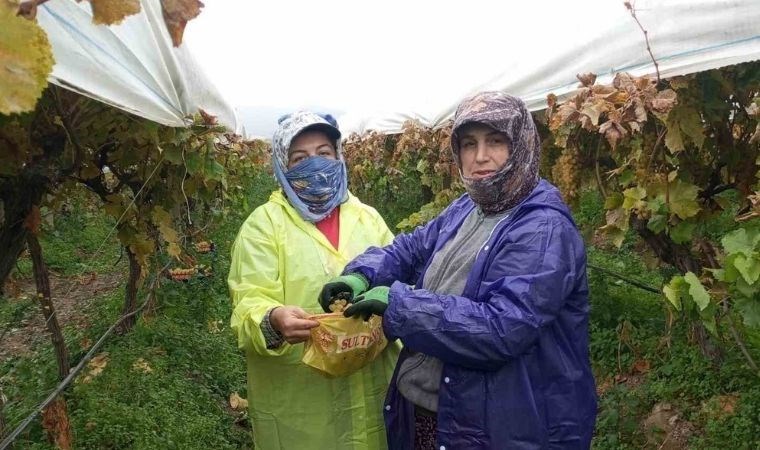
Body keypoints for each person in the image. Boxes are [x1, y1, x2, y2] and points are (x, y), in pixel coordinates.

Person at [319, 92, 597, 449]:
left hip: (502, 426)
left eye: (496, 141)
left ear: (523, 146)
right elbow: (412, 248)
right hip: (441, 413)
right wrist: (362, 274)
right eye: (469, 144)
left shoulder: (542, 229)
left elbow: (501, 329)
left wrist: (400, 305)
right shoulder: (469, 207)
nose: (480, 156)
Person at [228, 110, 400, 450]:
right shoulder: (264, 226)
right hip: (302, 406)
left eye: (324, 153)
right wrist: (272, 321)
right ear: (282, 166)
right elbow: (249, 300)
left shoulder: (368, 218)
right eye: (300, 158)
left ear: (339, 156)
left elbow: (400, 273)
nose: (315, 165)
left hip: (374, 389)